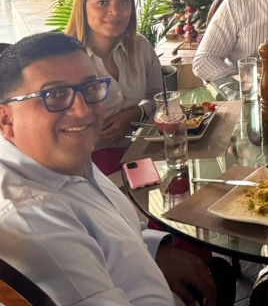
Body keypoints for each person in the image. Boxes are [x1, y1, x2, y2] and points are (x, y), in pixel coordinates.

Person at [0, 32, 224, 306]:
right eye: (54, 94)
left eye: (89, 88)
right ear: (5, 119)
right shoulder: (35, 218)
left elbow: (114, 227)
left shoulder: (60, 158)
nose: (82, 111)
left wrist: (156, 251)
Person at [65, 0, 163, 175]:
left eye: (123, 2)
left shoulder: (139, 46)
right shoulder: (64, 58)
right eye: (103, 2)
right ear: (83, 6)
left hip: (137, 152)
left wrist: (136, 113)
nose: (115, 11)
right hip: (81, 164)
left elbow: (160, 97)